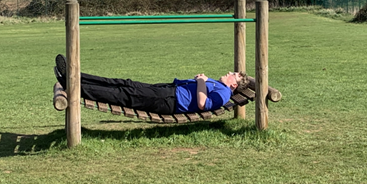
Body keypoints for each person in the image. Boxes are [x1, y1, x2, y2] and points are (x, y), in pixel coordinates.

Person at [54, 54, 249, 115]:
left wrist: (200, 82)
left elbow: (202, 104)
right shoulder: (220, 85)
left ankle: (73, 86)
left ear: (234, 85)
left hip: (169, 101)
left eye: (233, 75)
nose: (229, 73)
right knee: (125, 84)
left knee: (124, 95)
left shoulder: (223, 94)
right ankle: (75, 76)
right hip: (168, 91)